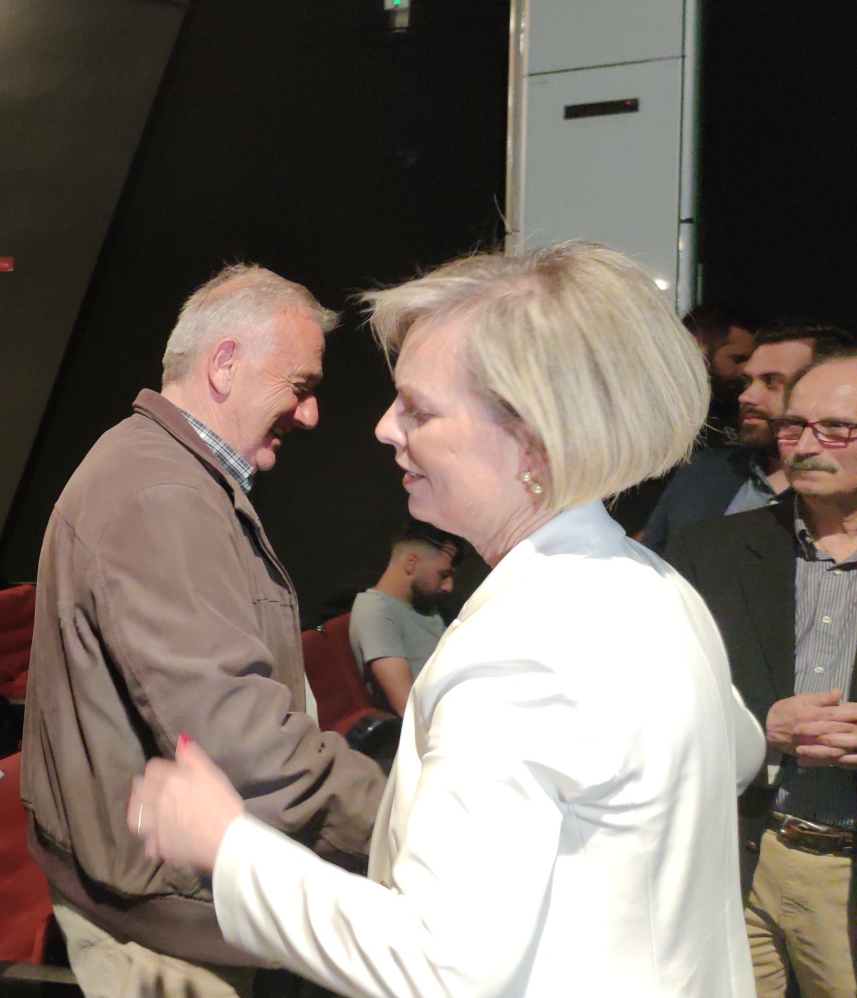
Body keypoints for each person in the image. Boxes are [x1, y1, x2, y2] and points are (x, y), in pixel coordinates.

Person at [129, 242, 765, 997]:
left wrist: (228, 846)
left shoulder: (520, 653)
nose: (384, 428)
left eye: (419, 410)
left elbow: (439, 965)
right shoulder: (655, 587)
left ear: (535, 440)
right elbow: (740, 750)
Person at [22, 264, 386, 998]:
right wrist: (399, 823)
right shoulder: (160, 494)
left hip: (178, 914)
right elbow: (242, 745)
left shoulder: (173, 478)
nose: (310, 415)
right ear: (224, 365)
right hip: (164, 942)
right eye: (300, 387)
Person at [669, 350, 857, 998]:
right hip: (739, 861)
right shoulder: (708, 552)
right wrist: (756, 725)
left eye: (836, 429)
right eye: (793, 425)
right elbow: (654, 704)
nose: (805, 445)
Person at [641, 324, 853, 552]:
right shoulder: (704, 471)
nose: (746, 396)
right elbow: (652, 556)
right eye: (747, 382)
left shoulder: (835, 492)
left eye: (772, 382)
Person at [347, 520, 461, 715]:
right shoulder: (376, 611)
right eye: (443, 575)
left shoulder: (424, 603)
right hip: (444, 721)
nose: (448, 586)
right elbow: (409, 709)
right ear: (411, 563)